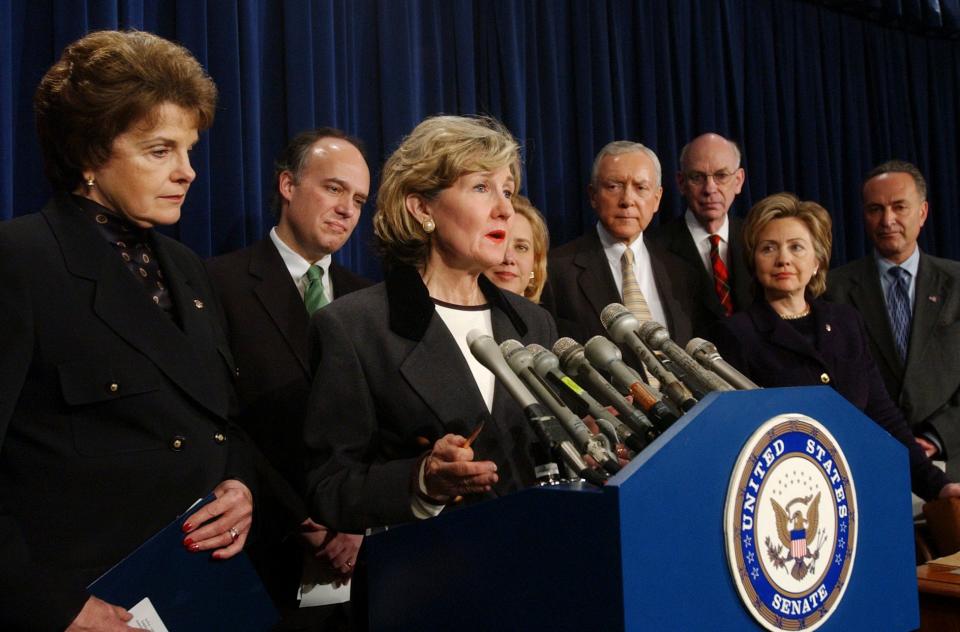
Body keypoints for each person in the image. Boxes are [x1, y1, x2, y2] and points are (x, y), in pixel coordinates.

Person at [0, 30, 256, 631]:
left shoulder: (189, 269)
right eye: (160, 150)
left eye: (189, 150)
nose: (188, 172)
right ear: (90, 152)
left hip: (194, 596)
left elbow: (218, 423)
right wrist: (52, 608)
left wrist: (240, 486)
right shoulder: (18, 261)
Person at [303, 115, 557, 532]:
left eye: (508, 191)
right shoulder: (355, 327)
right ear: (422, 207)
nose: (506, 209)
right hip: (431, 580)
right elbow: (328, 488)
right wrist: (422, 482)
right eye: (481, 187)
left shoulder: (533, 324)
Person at [207, 128, 372, 629]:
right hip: (256, 549)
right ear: (287, 185)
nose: (347, 209)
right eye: (334, 188)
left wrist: (356, 521)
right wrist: (301, 518)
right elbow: (219, 418)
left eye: (359, 199)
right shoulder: (217, 282)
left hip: (351, 560)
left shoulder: (366, 300)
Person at [709, 192, 960, 501]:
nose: (783, 259)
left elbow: (883, 416)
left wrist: (937, 485)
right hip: (788, 500)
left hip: (859, 488)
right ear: (753, 261)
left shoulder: (845, 322)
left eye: (796, 247)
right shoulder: (737, 334)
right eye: (768, 248)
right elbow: (738, 440)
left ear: (817, 261)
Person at [826, 161, 960, 480]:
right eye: (875, 209)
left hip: (951, 460)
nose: (887, 220)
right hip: (869, 463)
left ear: (923, 212)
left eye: (899, 207)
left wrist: (935, 437)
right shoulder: (833, 290)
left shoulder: (957, 283)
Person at [543, 141, 704, 361]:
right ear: (593, 195)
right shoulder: (555, 271)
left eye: (641, 188)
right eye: (614, 186)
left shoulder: (682, 273)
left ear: (656, 199)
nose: (627, 200)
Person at [652, 133, 752, 318]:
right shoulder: (654, 248)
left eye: (721, 176)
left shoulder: (757, 238)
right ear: (681, 183)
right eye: (697, 177)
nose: (710, 189)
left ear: (738, 181)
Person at [484, 193, 549, 302]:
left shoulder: (545, 319)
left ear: (535, 264)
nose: (508, 259)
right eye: (497, 241)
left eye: (521, 247)